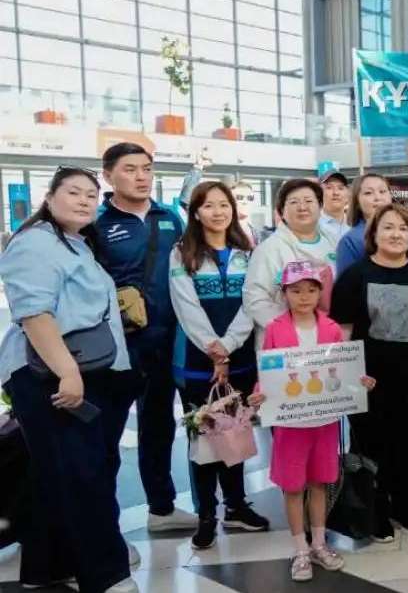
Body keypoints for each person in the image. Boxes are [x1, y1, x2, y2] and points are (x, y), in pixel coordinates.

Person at [0, 167, 136, 593]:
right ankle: (107, 576)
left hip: (79, 371)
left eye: (91, 196)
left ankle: (47, 567)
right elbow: (34, 313)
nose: (84, 201)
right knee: (84, 476)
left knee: (59, 474)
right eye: (74, 192)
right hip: (51, 374)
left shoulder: (75, 243)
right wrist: (68, 372)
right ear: (50, 197)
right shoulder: (36, 242)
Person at [247, 261, 375, 582]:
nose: (304, 297)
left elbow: (342, 370)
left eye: (311, 290)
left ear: (320, 292)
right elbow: (268, 371)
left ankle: (319, 544)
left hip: (324, 421)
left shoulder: (330, 328)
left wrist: (359, 381)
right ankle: (300, 548)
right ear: (284, 293)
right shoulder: (276, 329)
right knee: (293, 487)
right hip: (290, 424)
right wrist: (259, 393)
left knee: (319, 482)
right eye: (296, 291)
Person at [95, 143, 194, 537]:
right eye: (130, 169)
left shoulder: (169, 217)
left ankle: (162, 507)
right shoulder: (97, 223)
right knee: (108, 435)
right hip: (118, 347)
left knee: (158, 426)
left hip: (166, 342)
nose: (141, 177)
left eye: (147, 169)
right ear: (108, 176)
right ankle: (104, 527)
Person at [331, 204, 408, 542]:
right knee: (371, 449)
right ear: (374, 234)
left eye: (403, 228)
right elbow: (342, 331)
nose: (396, 234)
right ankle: (377, 513)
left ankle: (406, 510)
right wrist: (346, 376)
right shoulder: (354, 276)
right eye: (388, 227)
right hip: (368, 382)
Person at [168, 182, 268, 551]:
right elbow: (186, 306)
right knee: (204, 437)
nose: (218, 212)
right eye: (208, 205)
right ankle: (206, 514)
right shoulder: (181, 253)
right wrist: (214, 351)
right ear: (195, 212)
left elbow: (253, 302)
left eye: (223, 204)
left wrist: (227, 347)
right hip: (197, 362)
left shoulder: (248, 251)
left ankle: (236, 506)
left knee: (235, 432)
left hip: (240, 359)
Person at [243, 178, 338, 348]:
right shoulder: (269, 249)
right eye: (293, 202)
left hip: (329, 338)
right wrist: (293, 328)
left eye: (309, 201)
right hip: (283, 341)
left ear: (320, 206)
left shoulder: (334, 243)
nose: (302, 207)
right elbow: (255, 299)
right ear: (281, 211)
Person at [335, 173, 394, 275]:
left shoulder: (405, 232)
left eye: (382, 191)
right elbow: (346, 282)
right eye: (368, 193)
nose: (378, 197)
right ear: (357, 201)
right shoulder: (351, 241)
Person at [318, 169, 351, 244]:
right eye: (329, 187)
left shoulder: (354, 224)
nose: (336, 193)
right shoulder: (313, 225)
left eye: (340, 188)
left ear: (348, 194)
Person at [231, 181, 263, 247]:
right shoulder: (223, 232)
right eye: (239, 198)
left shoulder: (257, 234)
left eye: (250, 198)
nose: (245, 201)